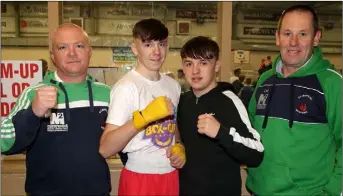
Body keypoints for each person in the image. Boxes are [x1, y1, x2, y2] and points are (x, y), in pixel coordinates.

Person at [1, 23, 111, 195]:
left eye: (79, 46)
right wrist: (33, 112)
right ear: (53, 55)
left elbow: (126, 144)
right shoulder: (33, 94)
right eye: (63, 47)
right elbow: (4, 143)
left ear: (89, 51)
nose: (72, 53)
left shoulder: (107, 94)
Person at [246, 5, 342, 196]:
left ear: (316, 38)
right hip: (259, 190)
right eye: (287, 33)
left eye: (303, 34)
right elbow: (249, 131)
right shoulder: (265, 80)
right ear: (277, 37)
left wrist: (332, 191)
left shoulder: (332, 84)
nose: (293, 42)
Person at [99, 18, 186, 196]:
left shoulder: (173, 86)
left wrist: (179, 146)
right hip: (140, 177)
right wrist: (144, 117)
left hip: (170, 175)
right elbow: (105, 148)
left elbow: (173, 128)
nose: (156, 51)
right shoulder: (126, 87)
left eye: (161, 44)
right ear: (134, 49)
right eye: (148, 44)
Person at [177, 36, 264, 196]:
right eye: (189, 64)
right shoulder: (183, 101)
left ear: (217, 66)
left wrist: (221, 133)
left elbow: (257, 154)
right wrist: (178, 147)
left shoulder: (230, 102)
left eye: (203, 63)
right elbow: (182, 140)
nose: (195, 71)